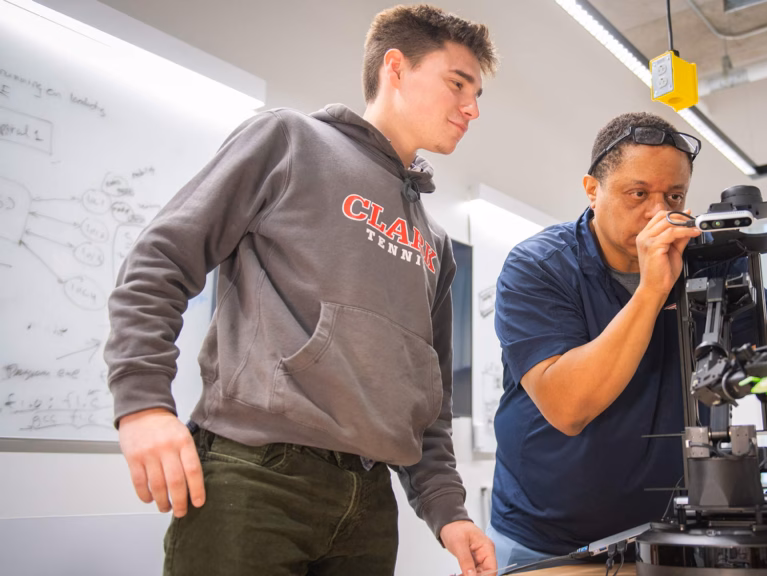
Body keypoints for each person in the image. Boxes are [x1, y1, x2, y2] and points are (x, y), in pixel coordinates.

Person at [104, 5, 499, 575]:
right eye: (458, 84)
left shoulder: (433, 242)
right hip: (257, 477)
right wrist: (142, 403)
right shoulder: (288, 140)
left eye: (478, 94)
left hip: (369, 503)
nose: (472, 108)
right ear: (396, 67)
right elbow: (160, 260)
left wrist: (448, 509)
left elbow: (429, 400)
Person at [488, 111, 767, 569]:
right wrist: (653, 288)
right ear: (592, 190)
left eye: (674, 195)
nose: (659, 213)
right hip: (548, 540)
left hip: (672, 533)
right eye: (638, 193)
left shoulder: (710, 261)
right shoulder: (539, 266)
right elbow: (569, 406)